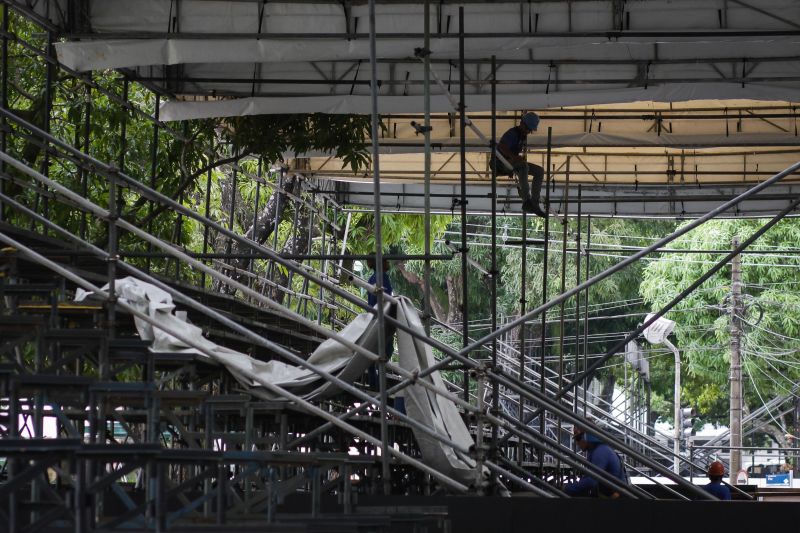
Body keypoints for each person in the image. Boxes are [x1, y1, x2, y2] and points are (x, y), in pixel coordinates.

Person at [491, 112, 547, 218]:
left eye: (530, 130)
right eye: (527, 129)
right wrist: (513, 157)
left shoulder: (522, 136)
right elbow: (501, 147)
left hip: (511, 163)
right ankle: (526, 201)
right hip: (499, 163)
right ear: (522, 123)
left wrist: (516, 160)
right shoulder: (512, 133)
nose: (528, 132)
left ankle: (534, 203)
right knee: (524, 166)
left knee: (539, 171)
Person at [564, 427, 627, 498]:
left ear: (587, 436)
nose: (577, 443)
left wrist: (569, 488)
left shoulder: (600, 452)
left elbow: (591, 481)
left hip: (616, 499)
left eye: (578, 438)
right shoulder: (596, 450)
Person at [365, 257, 394, 389]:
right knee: (385, 351)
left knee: (373, 351)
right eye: (386, 261)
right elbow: (386, 298)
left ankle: (374, 383)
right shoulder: (383, 277)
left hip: (373, 316)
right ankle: (379, 385)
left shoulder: (372, 278)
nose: (388, 264)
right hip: (383, 317)